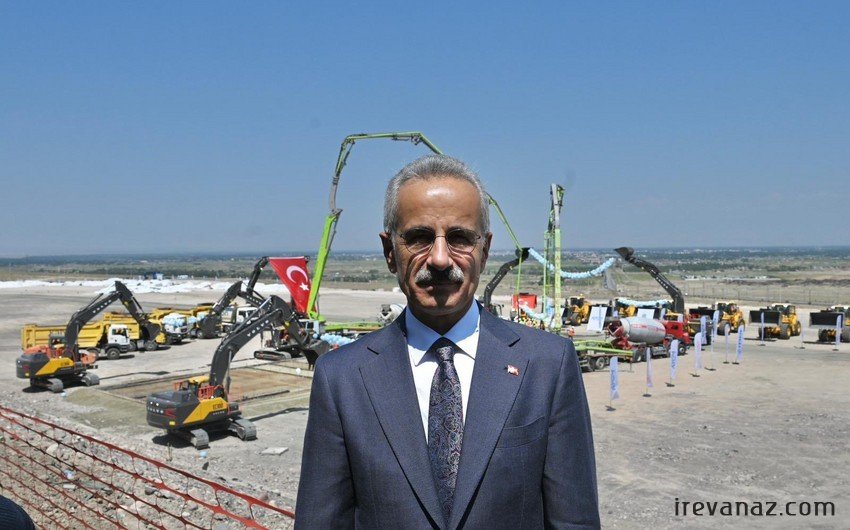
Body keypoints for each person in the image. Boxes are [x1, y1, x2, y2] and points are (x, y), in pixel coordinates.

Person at [296, 154, 599, 529]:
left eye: (459, 238)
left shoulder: (547, 365)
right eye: (419, 238)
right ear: (390, 252)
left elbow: (575, 521)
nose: (440, 259)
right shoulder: (341, 378)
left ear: (484, 251)